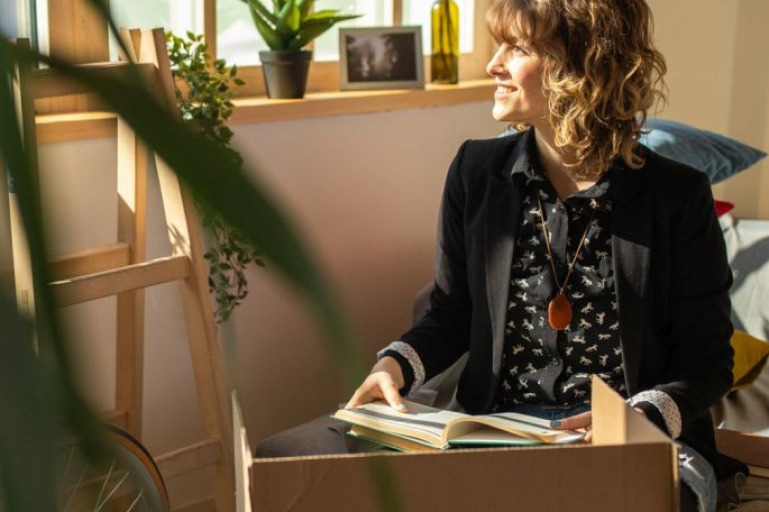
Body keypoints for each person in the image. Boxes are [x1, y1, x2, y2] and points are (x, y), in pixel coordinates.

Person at [256, 1, 746, 510]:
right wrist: (393, 367)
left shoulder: (677, 195)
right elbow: (451, 311)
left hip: (637, 442)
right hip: (496, 433)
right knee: (309, 467)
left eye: (518, 48)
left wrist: (639, 418)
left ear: (582, 63)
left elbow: (707, 358)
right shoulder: (475, 171)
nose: (495, 65)